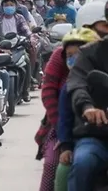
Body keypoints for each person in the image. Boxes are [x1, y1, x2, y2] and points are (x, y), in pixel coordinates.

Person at [35, 28, 100, 191]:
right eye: (70, 56)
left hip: (100, 134)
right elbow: (50, 93)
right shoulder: (69, 85)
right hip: (64, 128)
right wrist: (64, 142)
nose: (75, 59)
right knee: (54, 165)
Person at [65, 0, 108, 191]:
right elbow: (78, 84)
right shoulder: (90, 53)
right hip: (97, 134)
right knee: (82, 163)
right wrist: (88, 108)